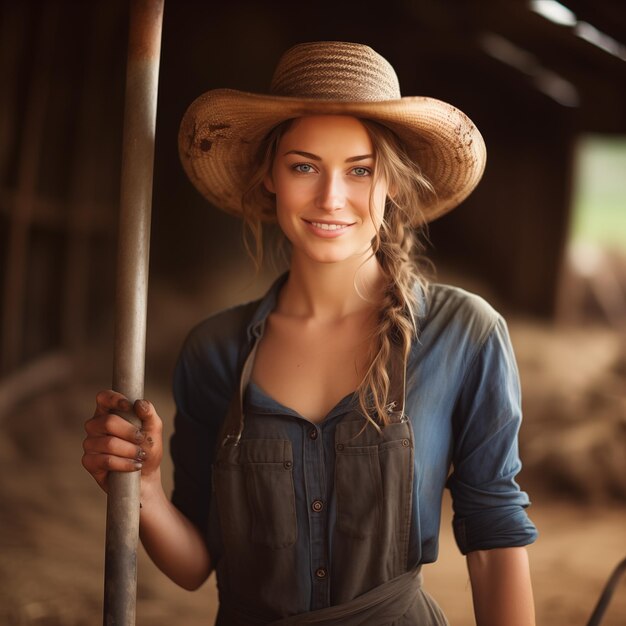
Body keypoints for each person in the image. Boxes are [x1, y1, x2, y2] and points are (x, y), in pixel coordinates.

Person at [82, 41, 538, 625]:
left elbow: (495, 541)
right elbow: (196, 564)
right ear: (270, 174)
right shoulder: (215, 351)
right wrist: (139, 488)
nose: (330, 198)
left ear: (392, 182)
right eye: (304, 166)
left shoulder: (464, 334)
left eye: (360, 170)